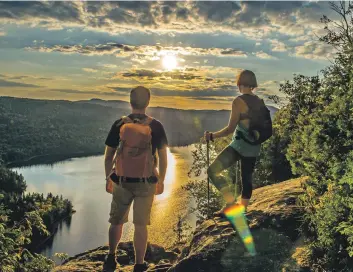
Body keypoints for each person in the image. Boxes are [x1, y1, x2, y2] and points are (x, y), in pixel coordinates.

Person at [103, 86, 168, 272]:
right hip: (146, 182)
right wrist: (161, 180)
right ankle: (139, 264)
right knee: (140, 225)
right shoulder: (155, 126)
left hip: (121, 181)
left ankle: (110, 258)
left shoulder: (119, 124)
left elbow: (109, 156)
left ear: (130, 102)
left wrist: (108, 177)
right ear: (148, 102)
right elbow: (163, 157)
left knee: (116, 221)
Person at [204, 70, 270, 212]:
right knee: (246, 178)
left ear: (239, 83)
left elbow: (230, 129)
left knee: (212, 171)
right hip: (254, 146)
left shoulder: (238, 101)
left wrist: (212, 136)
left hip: (239, 146)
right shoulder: (259, 101)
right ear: (253, 83)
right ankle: (243, 209)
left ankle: (231, 203)